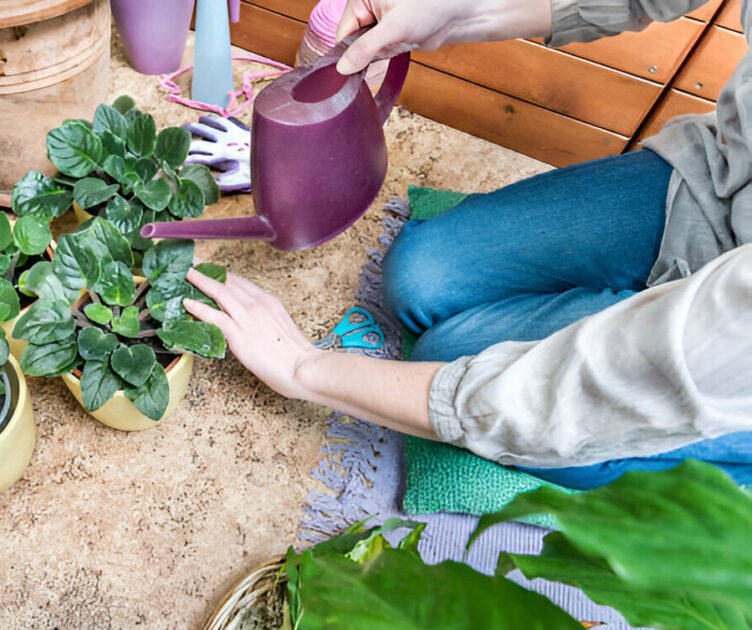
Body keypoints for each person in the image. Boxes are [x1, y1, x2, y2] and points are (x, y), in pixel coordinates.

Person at [183, 0, 752, 489]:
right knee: (420, 276)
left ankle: (726, 453)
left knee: (452, 364)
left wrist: (305, 368)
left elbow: (575, 398)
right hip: (720, 180)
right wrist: (451, 11)